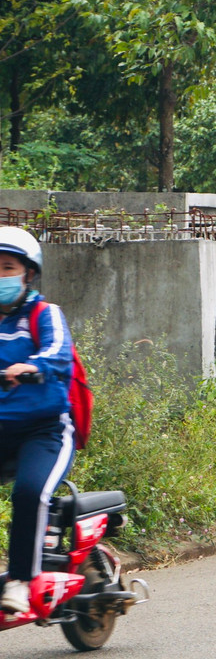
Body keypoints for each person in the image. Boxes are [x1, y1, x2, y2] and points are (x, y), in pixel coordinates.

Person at [0, 228, 75, 616]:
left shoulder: (45, 314)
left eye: (7, 268)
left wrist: (32, 365)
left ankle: (20, 580)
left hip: (45, 430)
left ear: (28, 274)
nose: (0, 276)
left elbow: (59, 351)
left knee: (29, 493)